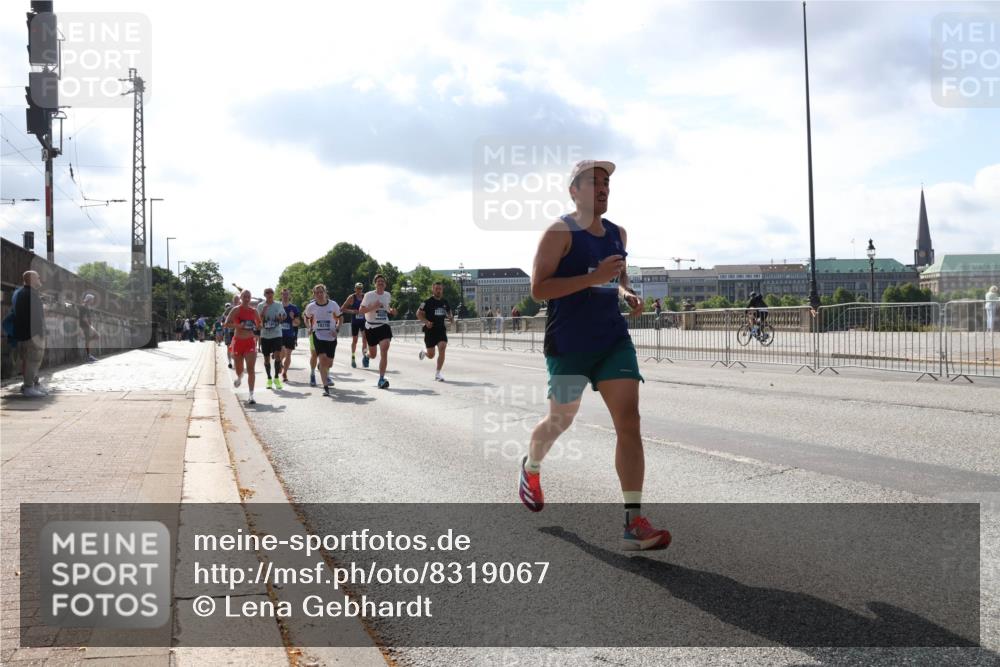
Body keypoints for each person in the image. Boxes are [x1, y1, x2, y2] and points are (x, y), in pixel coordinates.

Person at [518, 159, 670, 551]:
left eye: (606, 183)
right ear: (574, 190)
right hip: (569, 343)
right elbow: (539, 289)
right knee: (559, 420)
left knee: (629, 423)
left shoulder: (618, 233)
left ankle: (633, 521)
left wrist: (626, 292)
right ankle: (531, 467)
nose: (602, 188)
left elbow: (616, 277)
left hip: (611, 340)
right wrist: (593, 277)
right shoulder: (558, 232)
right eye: (594, 182)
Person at [11, 271, 48, 397]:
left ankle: (33, 384)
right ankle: (29, 387)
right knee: (33, 360)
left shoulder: (21, 293)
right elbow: (36, 317)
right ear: (32, 279)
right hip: (33, 334)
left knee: (29, 360)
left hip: (24, 333)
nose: (40, 279)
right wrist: (40, 333)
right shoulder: (31, 294)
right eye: (38, 277)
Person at [224, 289, 262, 404]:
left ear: (250, 298)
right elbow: (226, 324)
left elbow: (259, 324)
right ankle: (240, 377)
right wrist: (238, 325)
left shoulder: (254, 311)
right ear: (241, 298)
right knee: (239, 369)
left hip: (250, 341)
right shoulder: (236, 310)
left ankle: (251, 395)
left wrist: (258, 327)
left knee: (251, 369)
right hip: (238, 342)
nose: (246, 298)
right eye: (244, 296)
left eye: (248, 296)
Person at [360, 274, 396, 389]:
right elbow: (361, 311)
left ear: (385, 284)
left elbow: (386, 308)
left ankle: (381, 379)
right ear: (375, 284)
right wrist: (373, 307)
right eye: (378, 281)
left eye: (383, 282)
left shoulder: (387, 295)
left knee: (384, 350)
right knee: (373, 354)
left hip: (383, 325)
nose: (381, 283)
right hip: (371, 327)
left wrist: (391, 311)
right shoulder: (369, 295)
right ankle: (366, 355)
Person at [303, 284, 341, 396]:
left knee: (329, 363)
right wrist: (309, 327)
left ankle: (321, 367)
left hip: (331, 336)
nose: (319, 294)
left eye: (321, 292)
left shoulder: (333, 304)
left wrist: (337, 328)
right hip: (318, 335)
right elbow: (306, 317)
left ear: (325, 293)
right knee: (322, 359)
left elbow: (340, 317)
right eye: (317, 293)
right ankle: (325, 388)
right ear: (314, 295)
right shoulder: (311, 306)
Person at [417, 281, 454, 381]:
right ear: (433, 289)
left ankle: (438, 373)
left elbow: (449, 312)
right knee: (431, 355)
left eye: (440, 289)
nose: (438, 291)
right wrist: (426, 322)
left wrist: (451, 317)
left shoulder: (445, 302)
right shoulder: (427, 302)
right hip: (430, 331)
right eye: (436, 289)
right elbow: (418, 314)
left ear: (442, 290)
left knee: (442, 347)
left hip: (441, 329)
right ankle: (425, 352)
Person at [256, 288, 287, 390]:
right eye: (267, 293)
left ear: (273, 294)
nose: (269, 294)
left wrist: (280, 317)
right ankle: (269, 378)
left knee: (278, 356)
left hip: (277, 334)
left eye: (271, 292)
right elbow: (258, 322)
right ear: (264, 295)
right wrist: (263, 313)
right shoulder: (260, 306)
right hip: (265, 335)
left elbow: (283, 316)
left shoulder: (278, 304)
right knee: (266, 358)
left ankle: (276, 378)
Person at [342, 282, 368, 368]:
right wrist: (353, 311)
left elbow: (369, 307)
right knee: (355, 340)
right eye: (357, 288)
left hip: (364, 321)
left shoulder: (365, 297)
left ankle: (365, 356)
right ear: (355, 289)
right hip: (355, 322)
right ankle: (353, 357)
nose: (359, 290)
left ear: (362, 289)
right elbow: (342, 309)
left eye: (360, 288)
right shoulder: (351, 297)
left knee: (365, 339)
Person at [279, 288, 301, 383]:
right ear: (281, 295)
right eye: (284, 294)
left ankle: (284, 372)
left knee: (288, 354)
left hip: (290, 334)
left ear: (289, 295)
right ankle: (279, 362)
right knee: (283, 351)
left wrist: (292, 318)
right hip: (279, 334)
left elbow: (298, 323)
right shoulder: (277, 306)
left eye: (287, 294)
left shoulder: (294, 308)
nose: (285, 296)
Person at [79, 293, 99, 362]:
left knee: (94, 337)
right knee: (95, 336)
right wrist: (90, 327)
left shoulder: (86, 307)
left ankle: (89, 355)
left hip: (87, 326)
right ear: (89, 300)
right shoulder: (84, 306)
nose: (92, 301)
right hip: (85, 326)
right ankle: (88, 356)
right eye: (92, 299)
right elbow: (84, 318)